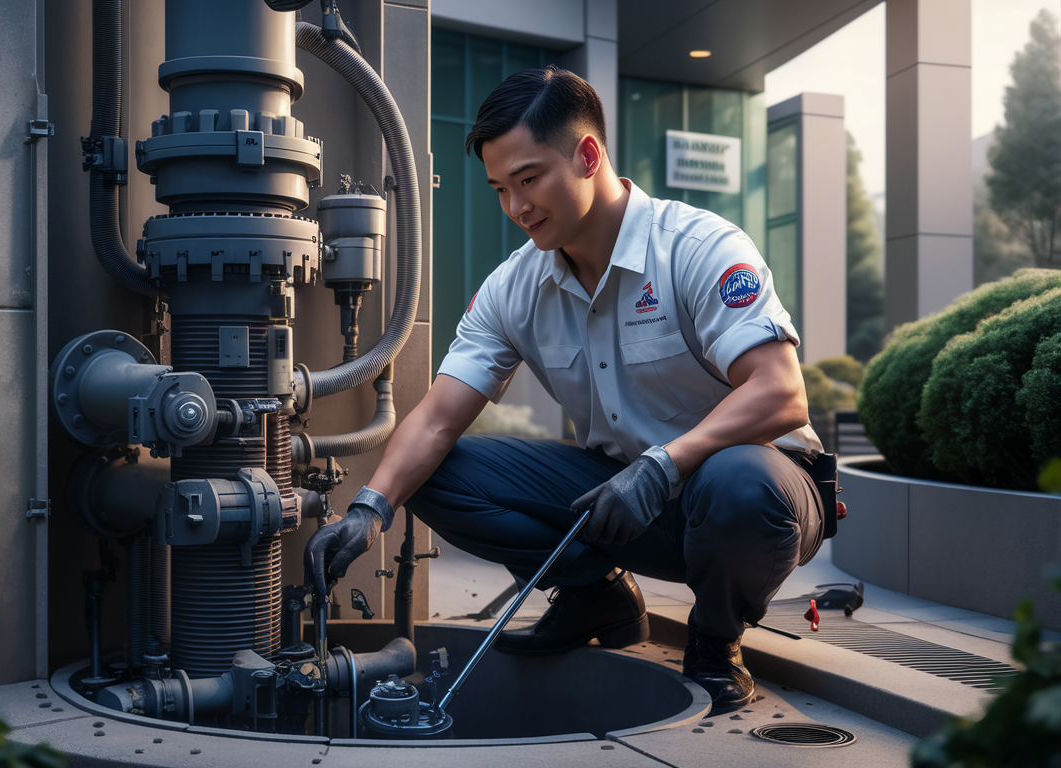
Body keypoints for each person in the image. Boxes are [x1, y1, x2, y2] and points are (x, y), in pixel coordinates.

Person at [304, 65, 828, 716]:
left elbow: (781, 394)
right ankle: (597, 596)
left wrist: (664, 465)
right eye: (500, 188)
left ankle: (716, 641)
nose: (516, 208)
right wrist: (369, 511)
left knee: (738, 484)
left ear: (586, 155)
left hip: (756, 499)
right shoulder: (514, 287)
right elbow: (437, 418)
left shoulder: (698, 248)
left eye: (528, 179)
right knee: (431, 474)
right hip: (624, 497)